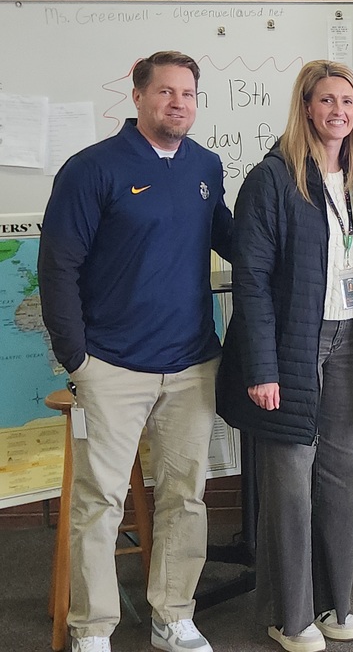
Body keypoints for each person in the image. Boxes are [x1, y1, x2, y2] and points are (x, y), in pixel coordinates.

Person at [38, 51, 232, 652]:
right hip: (111, 365)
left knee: (185, 496)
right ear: (139, 96)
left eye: (188, 94)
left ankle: (173, 616)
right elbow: (58, 267)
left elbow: (230, 237)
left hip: (192, 363)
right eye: (166, 92)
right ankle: (92, 628)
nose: (179, 103)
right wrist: (77, 359)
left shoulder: (205, 166)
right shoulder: (91, 169)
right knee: (99, 501)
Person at [216, 61, 353, 652]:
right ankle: (289, 617)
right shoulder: (272, 179)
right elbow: (251, 279)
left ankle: (333, 605)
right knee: (291, 486)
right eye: (326, 100)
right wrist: (262, 368)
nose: (338, 111)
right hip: (292, 345)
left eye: (347, 101)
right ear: (305, 107)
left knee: (345, 481)